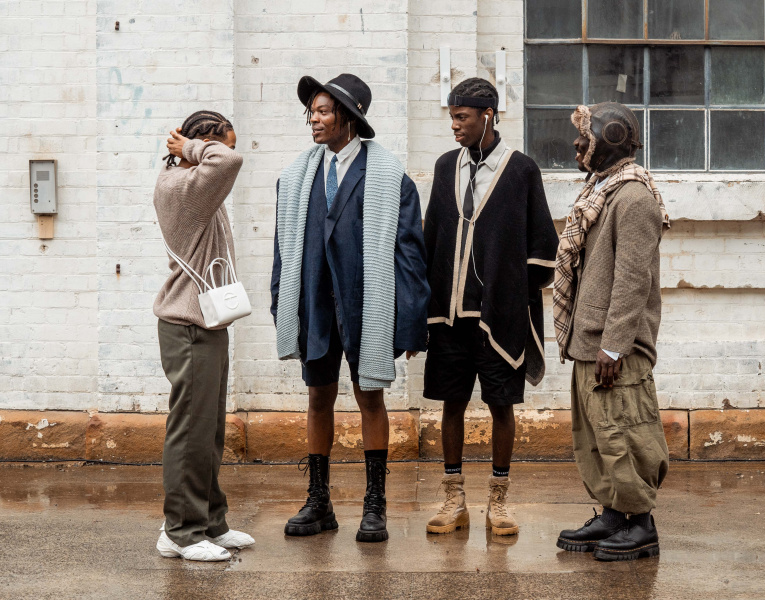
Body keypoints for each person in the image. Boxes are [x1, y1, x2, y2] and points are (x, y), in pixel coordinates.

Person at [271, 74, 430, 543]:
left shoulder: (389, 177)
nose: (314, 120)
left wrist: (411, 321)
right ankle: (319, 501)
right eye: (312, 112)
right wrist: (282, 302)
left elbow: (410, 255)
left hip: (366, 307)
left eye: (324, 112)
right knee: (317, 398)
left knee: (370, 398)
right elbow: (283, 248)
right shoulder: (296, 177)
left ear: (349, 118)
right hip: (315, 305)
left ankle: (375, 504)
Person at [422, 78, 559, 536]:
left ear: (488, 116)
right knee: (452, 404)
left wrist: (511, 294)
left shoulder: (521, 170)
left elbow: (542, 246)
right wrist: (422, 308)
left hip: (498, 318)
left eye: (462, 118)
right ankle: (454, 499)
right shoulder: (446, 167)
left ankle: (498, 501)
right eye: (452, 118)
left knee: (502, 406)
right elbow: (432, 237)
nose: (455, 126)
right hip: (450, 315)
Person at [554, 102, 670, 561]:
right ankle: (613, 513)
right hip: (591, 340)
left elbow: (633, 279)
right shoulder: (600, 191)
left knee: (625, 433)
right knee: (597, 436)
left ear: (611, 139)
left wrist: (615, 346)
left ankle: (640, 524)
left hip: (613, 346)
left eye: (586, 136)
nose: (577, 143)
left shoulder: (634, 198)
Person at [153, 111, 255, 561]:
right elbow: (227, 162)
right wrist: (190, 148)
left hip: (206, 323)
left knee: (208, 431)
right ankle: (180, 532)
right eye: (221, 143)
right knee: (190, 432)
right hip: (188, 326)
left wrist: (193, 149)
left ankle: (210, 522)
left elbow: (223, 162)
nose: (227, 153)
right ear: (199, 144)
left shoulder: (196, 184)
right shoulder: (181, 186)